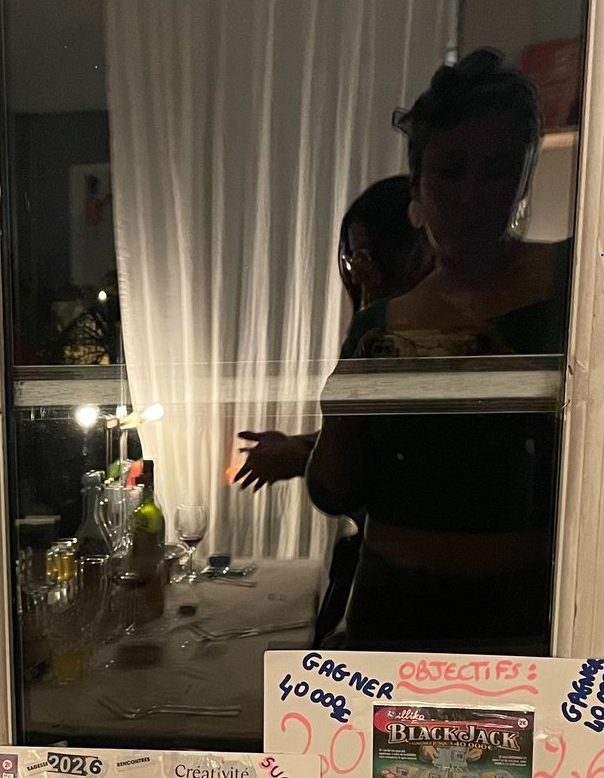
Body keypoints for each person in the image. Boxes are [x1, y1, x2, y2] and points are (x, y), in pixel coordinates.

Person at [306, 49, 569, 651]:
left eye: (498, 170)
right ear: (418, 188)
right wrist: (344, 408)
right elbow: (331, 491)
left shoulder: (574, 283)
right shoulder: (381, 326)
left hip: (524, 612)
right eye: (450, 171)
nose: (472, 195)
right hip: (394, 611)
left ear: (524, 180)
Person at [229, 176, 429, 645]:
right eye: (353, 256)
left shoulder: (399, 338)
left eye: (366, 255)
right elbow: (375, 440)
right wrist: (298, 446)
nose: (358, 271)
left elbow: (382, 473)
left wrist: (300, 457)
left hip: (412, 591)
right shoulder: (382, 332)